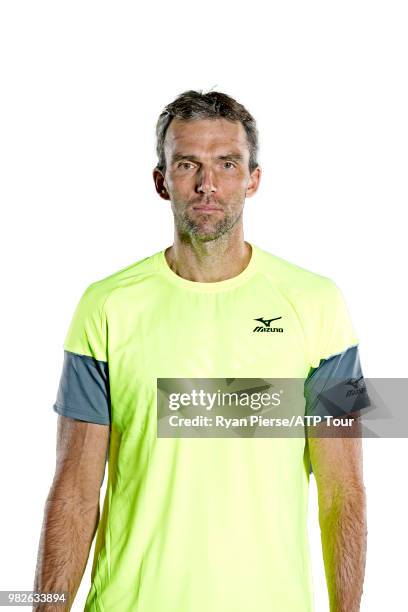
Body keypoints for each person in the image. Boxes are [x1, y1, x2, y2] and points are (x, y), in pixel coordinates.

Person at [33, 90, 368, 611]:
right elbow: (75, 493)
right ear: (161, 181)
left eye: (227, 163)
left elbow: (342, 492)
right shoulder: (105, 307)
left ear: (253, 178)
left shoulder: (318, 306)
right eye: (188, 163)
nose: (207, 183)